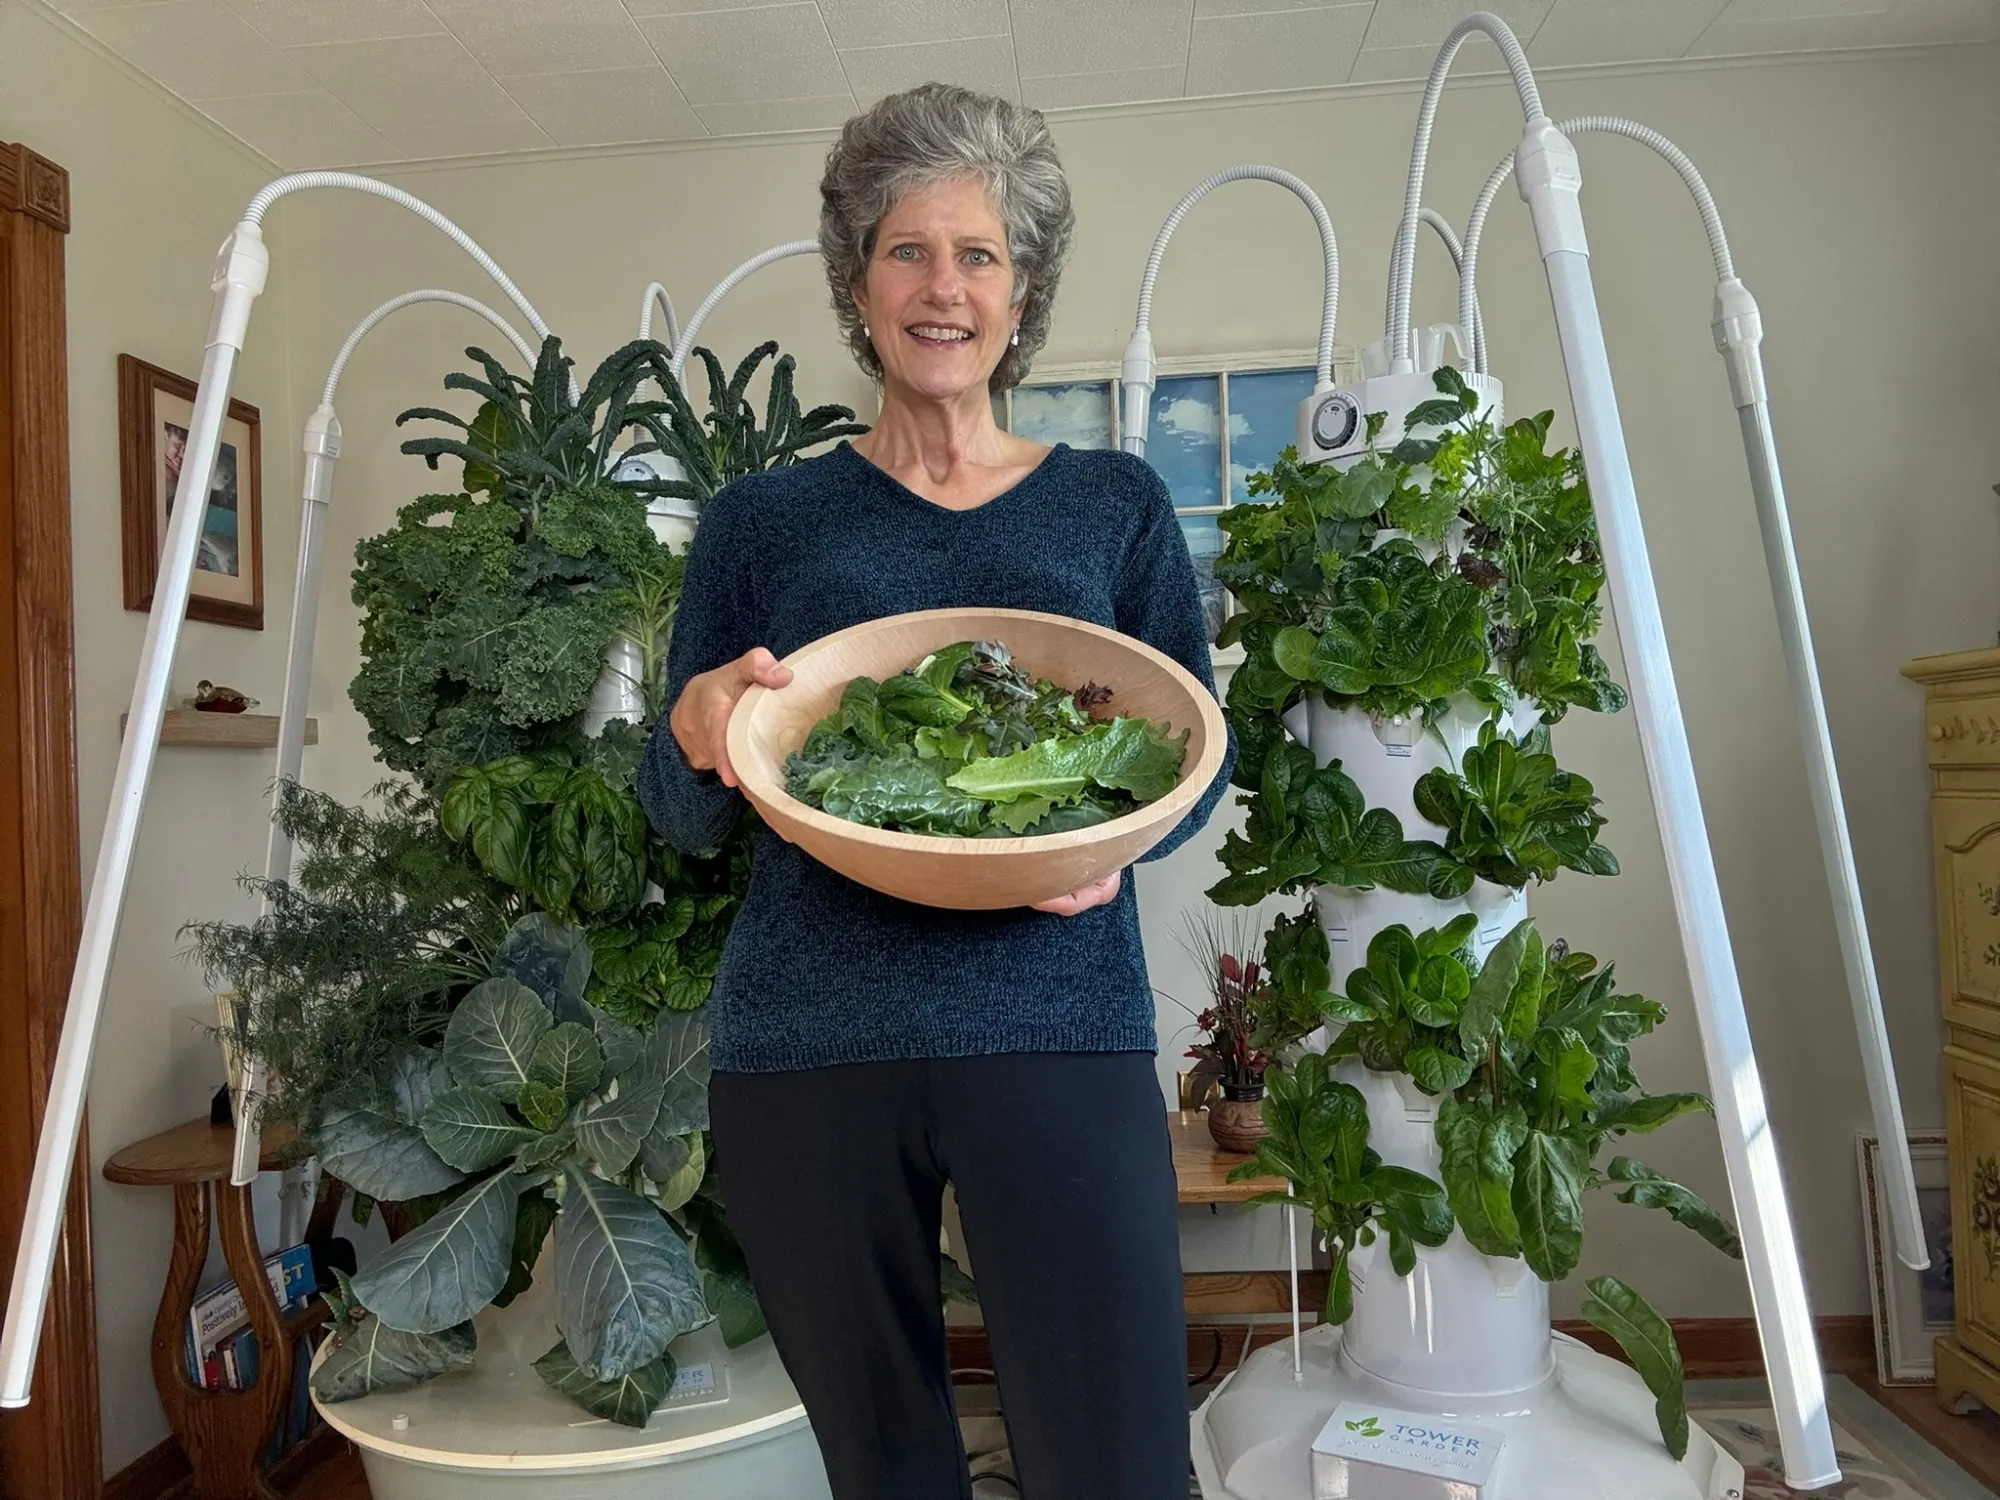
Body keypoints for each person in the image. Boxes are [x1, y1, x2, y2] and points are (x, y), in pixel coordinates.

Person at [637, 82, 1234, 1500]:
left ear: (1022, 296)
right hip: (809, 1042)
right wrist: (701, 719)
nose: (944, 287)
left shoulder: (1114, 507)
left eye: (979, 255)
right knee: (888, 1466)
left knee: (1119, 1457)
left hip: (1056, 1018)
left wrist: (1118, 843)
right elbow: (685, 809)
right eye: (908, 250)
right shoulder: (764, 522)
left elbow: (1190, 760)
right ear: (859, 283)